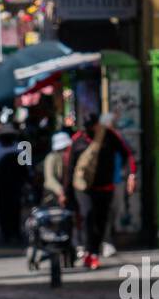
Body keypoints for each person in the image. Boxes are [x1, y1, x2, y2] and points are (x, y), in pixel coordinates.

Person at [65, 112, 136, 270]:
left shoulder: (109, 136)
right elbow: (69, 168)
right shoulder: (78, 140)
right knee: (88, 216)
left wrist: (131, 174)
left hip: (105, 187)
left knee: (101, 221)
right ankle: (89, 252)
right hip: (84, 189)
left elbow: (128, 153)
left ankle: (94, 252)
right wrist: (67, 192)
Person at [0, 126, 29, 245]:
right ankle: (12, 232)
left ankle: (9, 232)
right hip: (10, 185)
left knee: (7, 209)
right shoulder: (19, 147)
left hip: (5, 185)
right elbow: (28, 168)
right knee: (12, 208)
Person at [42, 131, 71, 208]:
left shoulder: (69, 157)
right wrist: (61, 192)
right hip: (52, 194)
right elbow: (49, 180)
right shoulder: (51, 158)